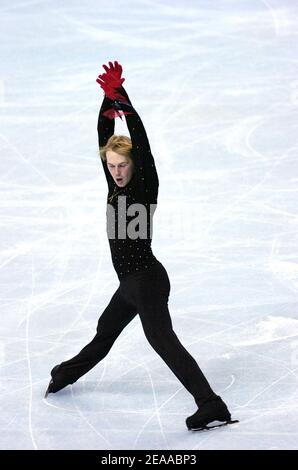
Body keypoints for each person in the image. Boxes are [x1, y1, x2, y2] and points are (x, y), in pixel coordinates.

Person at [45, 60, 238, 431]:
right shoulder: (114, 185)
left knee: (162, 341)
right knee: (104, 333)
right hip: (128, 285)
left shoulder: (143, 185)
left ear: (134, 165)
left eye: (122, 165)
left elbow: (143, 144)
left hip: (147, 279)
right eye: (112, 165)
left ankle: (211, 404)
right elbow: (104, 134)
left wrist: (127, 103)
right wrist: (107, 100)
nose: (117, 171)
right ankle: (64, 374)